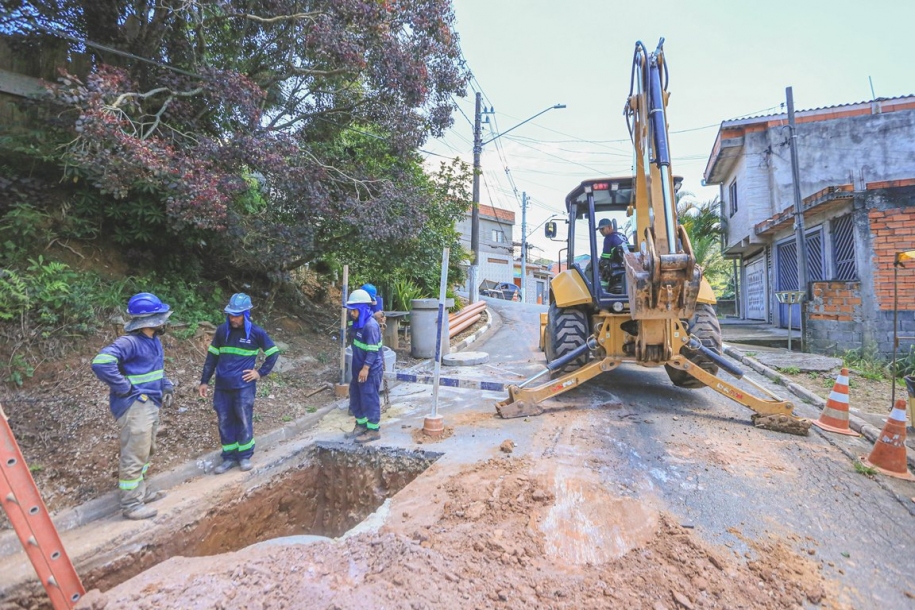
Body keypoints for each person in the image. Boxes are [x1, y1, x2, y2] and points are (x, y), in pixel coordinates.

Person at [92, 292, 174, 520]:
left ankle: (142, 492)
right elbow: (101, 362)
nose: (165, 321)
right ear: (151, 319)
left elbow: (155, 370)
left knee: (147, 450)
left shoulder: (153, 340)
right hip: (135, 405)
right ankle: (131, 504)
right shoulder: (130, 342)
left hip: (150, 403)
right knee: (135, 454)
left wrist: (165, 385)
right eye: (161, 316)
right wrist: (124, 388)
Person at [198, 293, 279, 474]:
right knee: (225, 421)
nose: (233, 318)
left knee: (243, 419)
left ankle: (244, 456)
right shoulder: (221, 332)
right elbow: (212, 357)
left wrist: (259, 372)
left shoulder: (256, 333)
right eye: (231, 315)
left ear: (246, 314)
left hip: (244, 386)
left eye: (237, 315)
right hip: (222, 386)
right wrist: (204, 381)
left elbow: (273, 353)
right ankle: (229, 457)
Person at [343, 288, 384, 443]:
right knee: (356, 396)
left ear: (360, 309)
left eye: (353, 311)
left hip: (370, 369)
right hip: (358, 367)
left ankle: (373, 430)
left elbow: (373, 351)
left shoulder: (371, 326)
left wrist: (366, 368)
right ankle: (361, 425)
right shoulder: (356, 323)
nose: (350, 313)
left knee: (369, 398)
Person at [597, 218, 628, 293]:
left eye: (602, 229)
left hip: (616, 268)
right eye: (599, 229)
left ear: (610, 227)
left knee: (599, 268)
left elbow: (605, 257)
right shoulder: (622, 235)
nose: (600, 231)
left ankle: (603, 290)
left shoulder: (608, 238)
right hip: (626, 268)